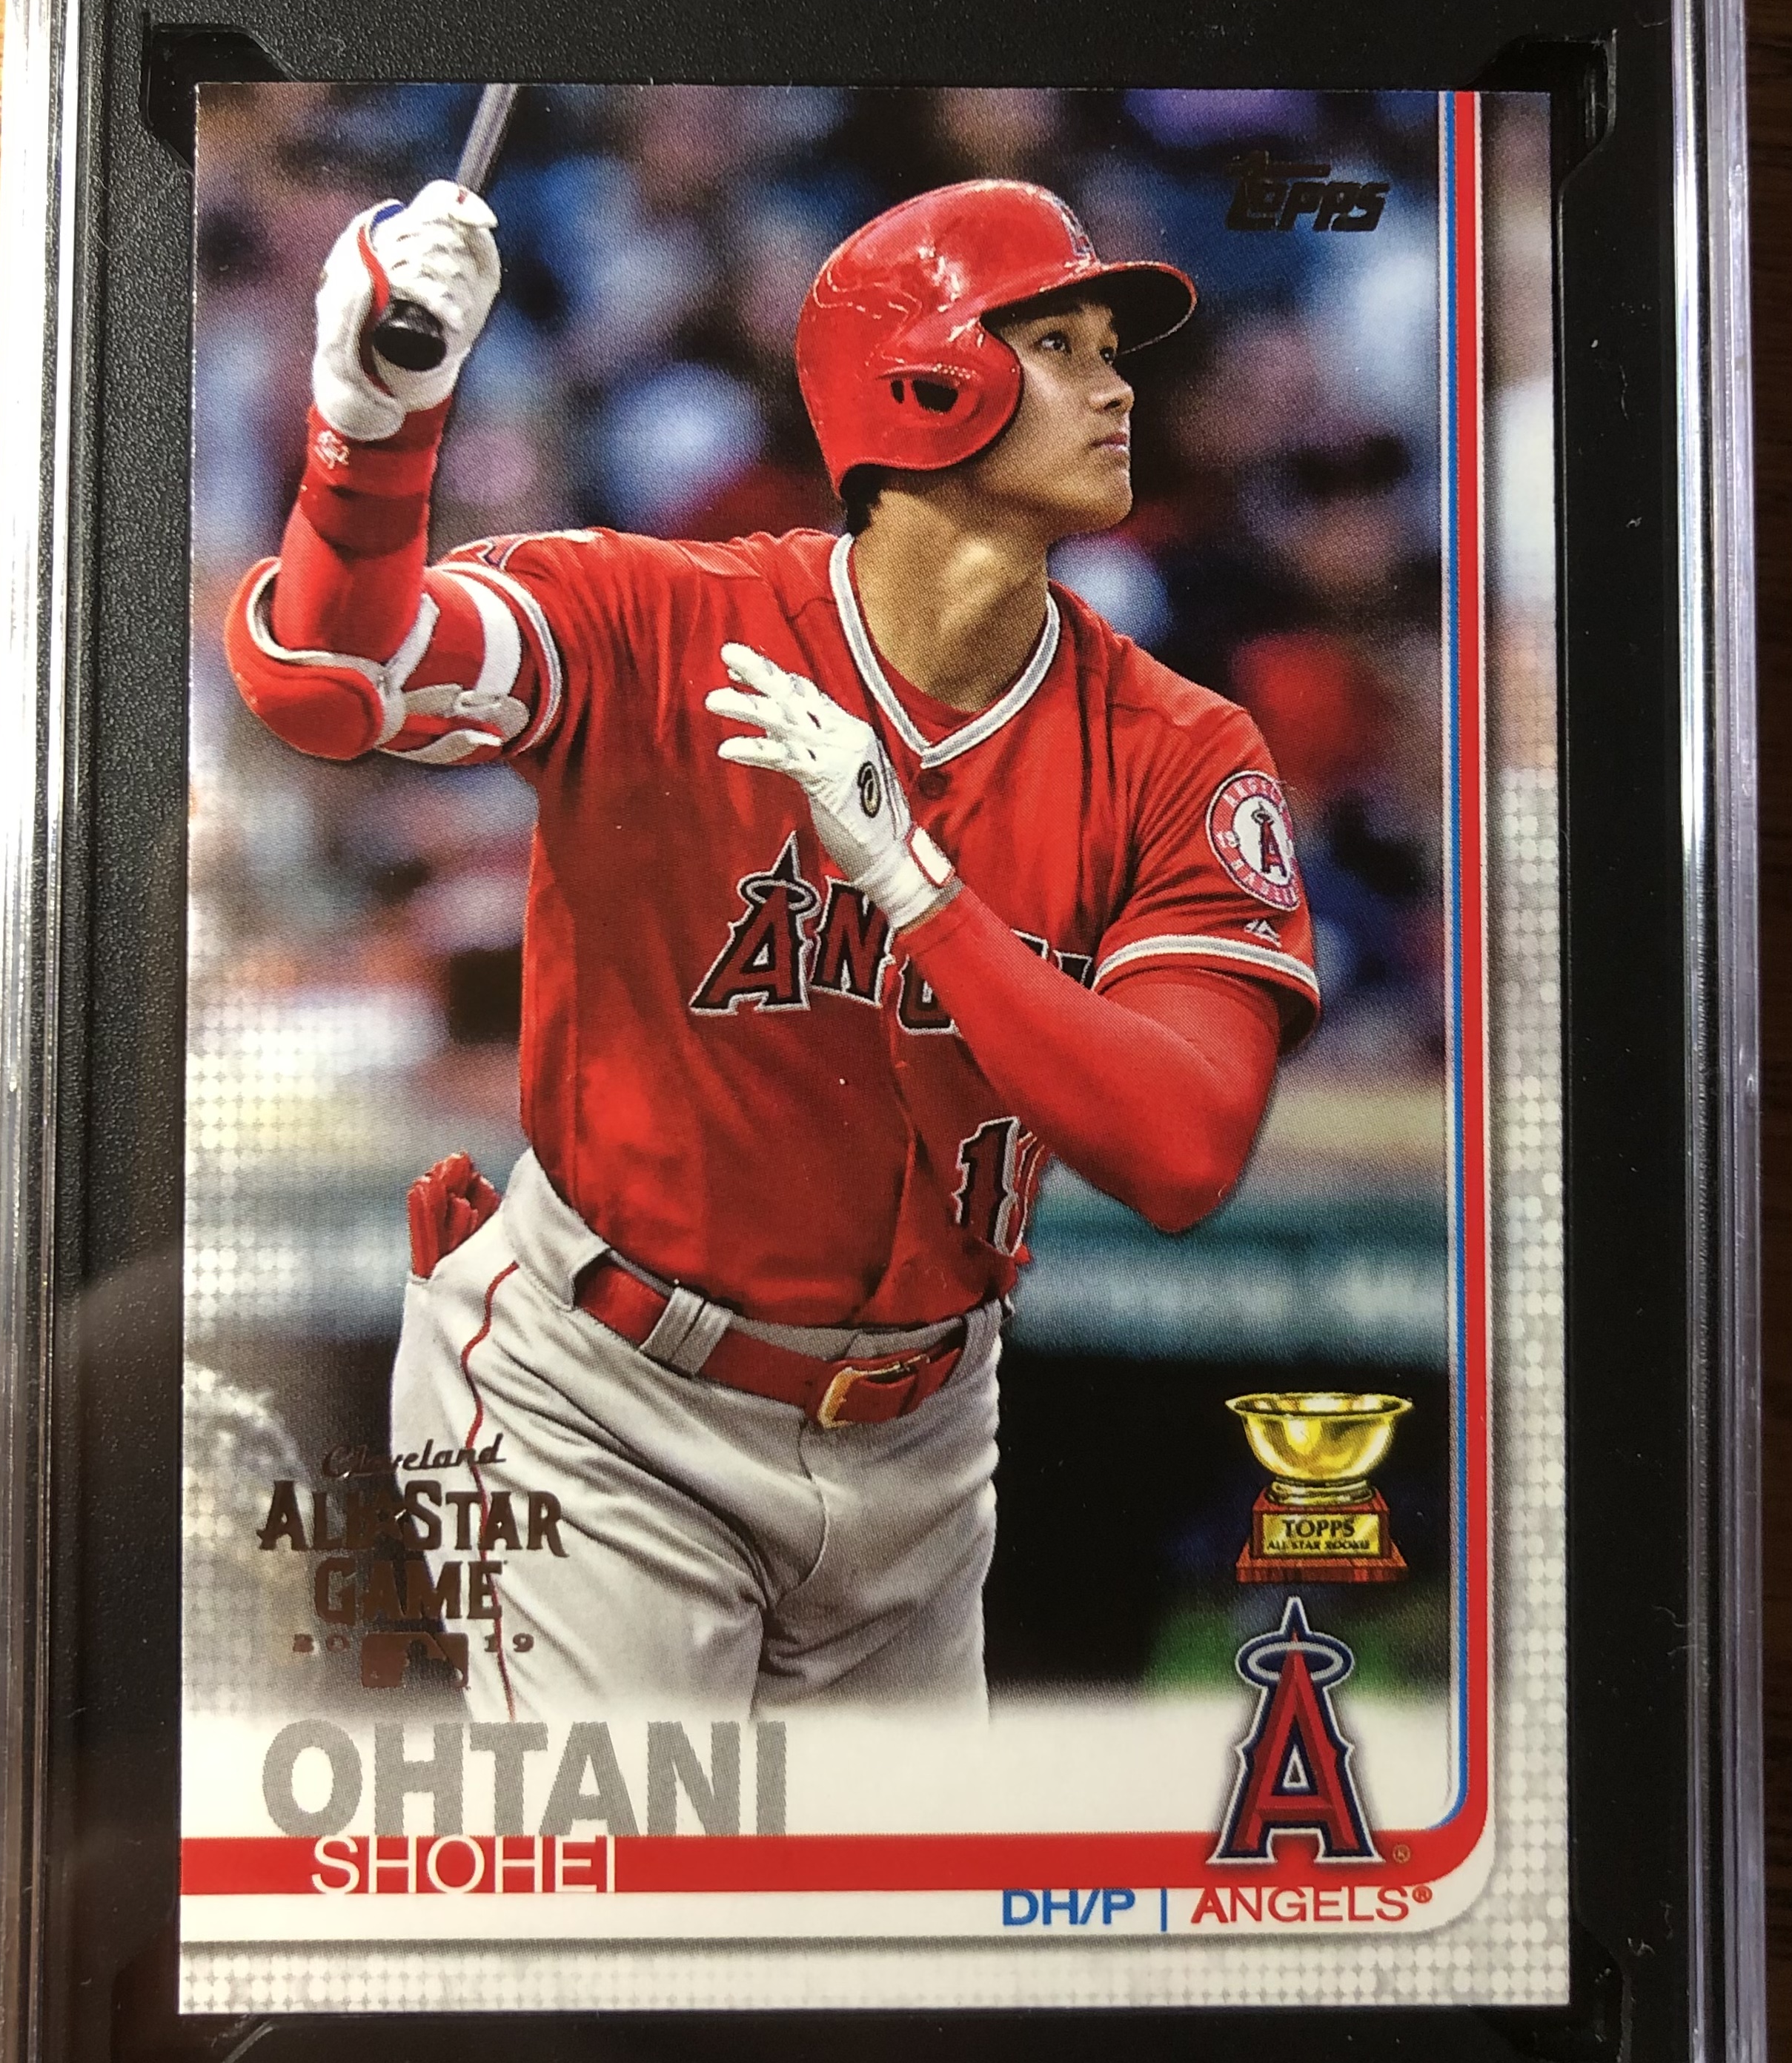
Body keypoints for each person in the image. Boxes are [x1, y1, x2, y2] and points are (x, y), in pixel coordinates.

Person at [226, 170, 1319, 1721]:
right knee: (640, 1877)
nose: (1118, 385)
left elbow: (1181, 1151)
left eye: (1109, 349)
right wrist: (373, 431)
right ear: (924, 387)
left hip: (923, 1442)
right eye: (1060, 346)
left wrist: (915, 888)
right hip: (603, 1399)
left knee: (888, 1895)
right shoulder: (663, 621)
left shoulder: (1175, 747)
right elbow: (331, 681)